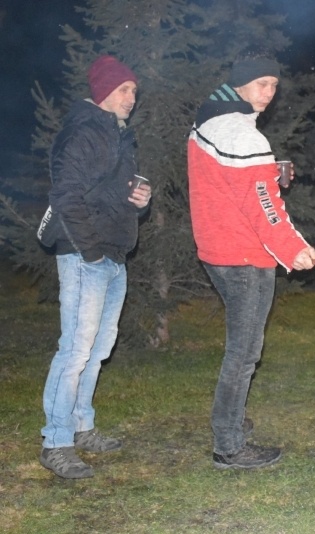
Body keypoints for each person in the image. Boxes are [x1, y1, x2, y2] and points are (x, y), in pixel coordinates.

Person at [188, 46, 315, 469]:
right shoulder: (243, 134)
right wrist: (294, 248)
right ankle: (228, 445)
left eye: (274, 85)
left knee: (241, 349)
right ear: (240, 83)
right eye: (262, 84)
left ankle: (232, 424)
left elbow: (233, 184)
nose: (269, 93)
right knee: (243, 352)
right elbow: (263, 206)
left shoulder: (212, 121)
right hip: (243, 253)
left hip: (218, 249)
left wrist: (267, 170)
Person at [40, 55, 152, 479]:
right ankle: (56, 440)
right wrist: (90, 252)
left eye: (134, 92)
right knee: (75, 351)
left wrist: (139, 203)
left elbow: (112, 198)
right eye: (125, 90)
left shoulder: (120, 138)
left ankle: (83, 427)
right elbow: (66, 196)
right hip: (88, 255)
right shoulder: (84, 133)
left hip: (113, 255)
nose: (132, 98)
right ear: (104, 92)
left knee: (98, 350)